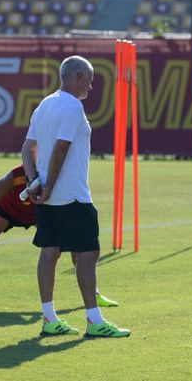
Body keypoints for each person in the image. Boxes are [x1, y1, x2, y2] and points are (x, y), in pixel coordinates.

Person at [21, 55, 129, 338]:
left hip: (48, 197)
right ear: (79, 76)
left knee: (50, 252)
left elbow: (27, 148)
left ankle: (49, 318)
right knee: (88, 254)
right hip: (71, 196)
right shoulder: (72, 106)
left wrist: (35, 183)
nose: (91, 86)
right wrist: (48, 186)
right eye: (90, 80)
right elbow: (61, 148)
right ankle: (94, 320)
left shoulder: (45, 104)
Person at [0, 164, 118, 310]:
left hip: (40, 214)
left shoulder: (57, 177)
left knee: (76, 247)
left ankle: (93, 294)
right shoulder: (17, 175)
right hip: (7, 210)